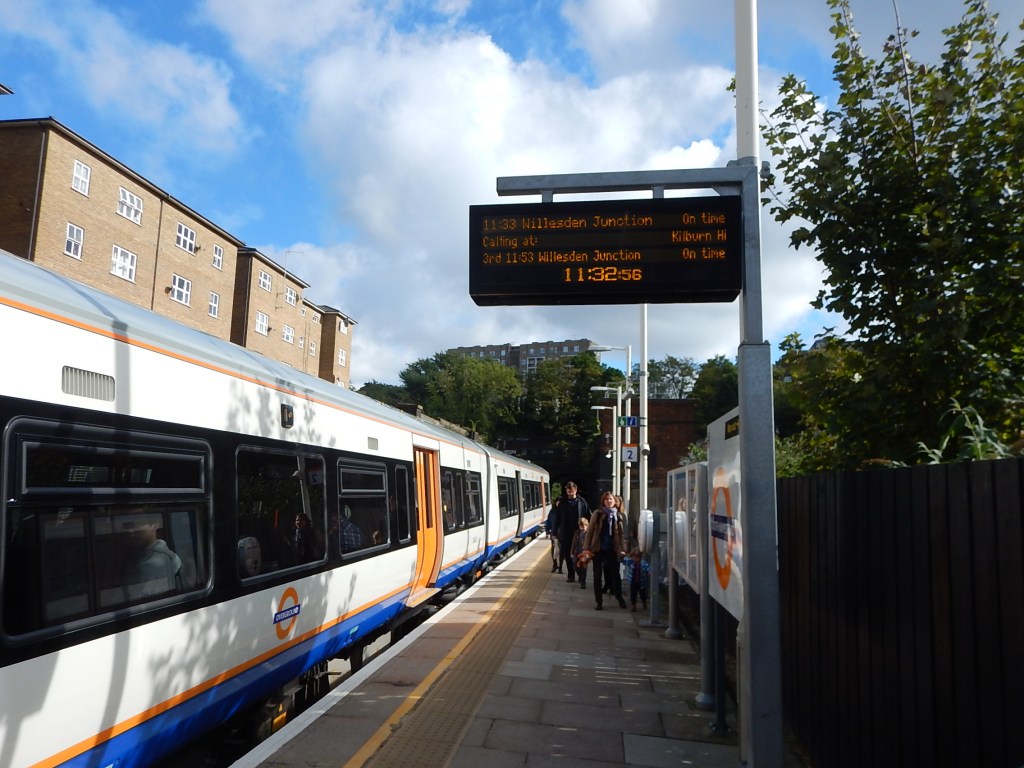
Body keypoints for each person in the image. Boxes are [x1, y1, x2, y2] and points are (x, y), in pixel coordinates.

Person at [582, 491, 627, 610]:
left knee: (615, 575)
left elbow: (622, 535)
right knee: (597, 576)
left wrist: (623, 549)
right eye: (606, 499)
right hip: (598, 549)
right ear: (603, 501)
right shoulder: (597, 514)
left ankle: (619, 597)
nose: (608, 501)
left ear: (614, 501)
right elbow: (590, 531)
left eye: (610, 499)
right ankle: (599, 601)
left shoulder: (619, 515)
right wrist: (586, 548)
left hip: (612, 549)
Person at [125, 520, 181, 600]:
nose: (131, 531)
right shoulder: (140, 554)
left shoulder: (153, 563)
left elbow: (140, 600)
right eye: (129, 525)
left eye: (138, 523)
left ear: (155, 526)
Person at [552, 481, 591, 582]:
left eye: (572, 490)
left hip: (579, 533)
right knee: (568, 555)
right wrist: (554, 532)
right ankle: (571, 575)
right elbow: (558, 519)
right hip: (565, 533)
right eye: (568, 491)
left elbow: (589, 515)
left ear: (576, 490)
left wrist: (589, 530)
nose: (570, 492)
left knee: (579, 554)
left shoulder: (582, 502)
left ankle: (580, 574)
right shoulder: (562, 503)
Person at [622, 547, 651, 611]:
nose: (635, 559)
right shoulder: (631, 562)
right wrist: (621, 556)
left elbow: (648, 567)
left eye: (637, 557)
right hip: (633, 581)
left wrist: (650, 571)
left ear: (640, 557)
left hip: (641, 582)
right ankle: (633, 606)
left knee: (642, 594)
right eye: (634, 557)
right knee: (633, 594)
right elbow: (624, 561)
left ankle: (644, 602)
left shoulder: (643, 563)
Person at [570, 515, 590, 590]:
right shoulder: (577, 533)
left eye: (584, 525)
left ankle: (583, 582)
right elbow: (573, 543)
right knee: (575, 566)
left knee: (584, 568)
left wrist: (589, 553)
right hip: (577, 552)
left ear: (587, 525)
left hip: (585, 553)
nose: (583, 527)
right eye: (581, 526)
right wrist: (572, 552)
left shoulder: (589, 534)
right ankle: (580, 576)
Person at [544, 504, 559, 573]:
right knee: (554, 550)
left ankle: (560, 567)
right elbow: (549, 521)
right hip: (554, 534)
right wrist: (547, 530)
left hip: (563, 534)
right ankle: (555, 564)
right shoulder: (552, 511)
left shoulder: (565, 510)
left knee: (562, 551)